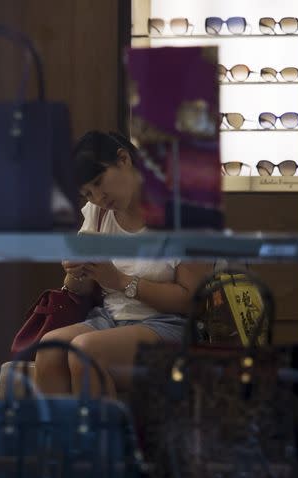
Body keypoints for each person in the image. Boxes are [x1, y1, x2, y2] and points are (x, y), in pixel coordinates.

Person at [34, 131, 210, 396]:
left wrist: (120, 281)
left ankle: (104, 437)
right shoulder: (98, 212)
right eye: (88, 194)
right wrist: (76, 271)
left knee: (85, 350)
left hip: (171, 325)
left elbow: (192, 300)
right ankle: (61, 438)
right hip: (110, 318)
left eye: (98, 182)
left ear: (123, 159)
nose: (98, 198)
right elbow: (78, 290)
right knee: (50, 348)